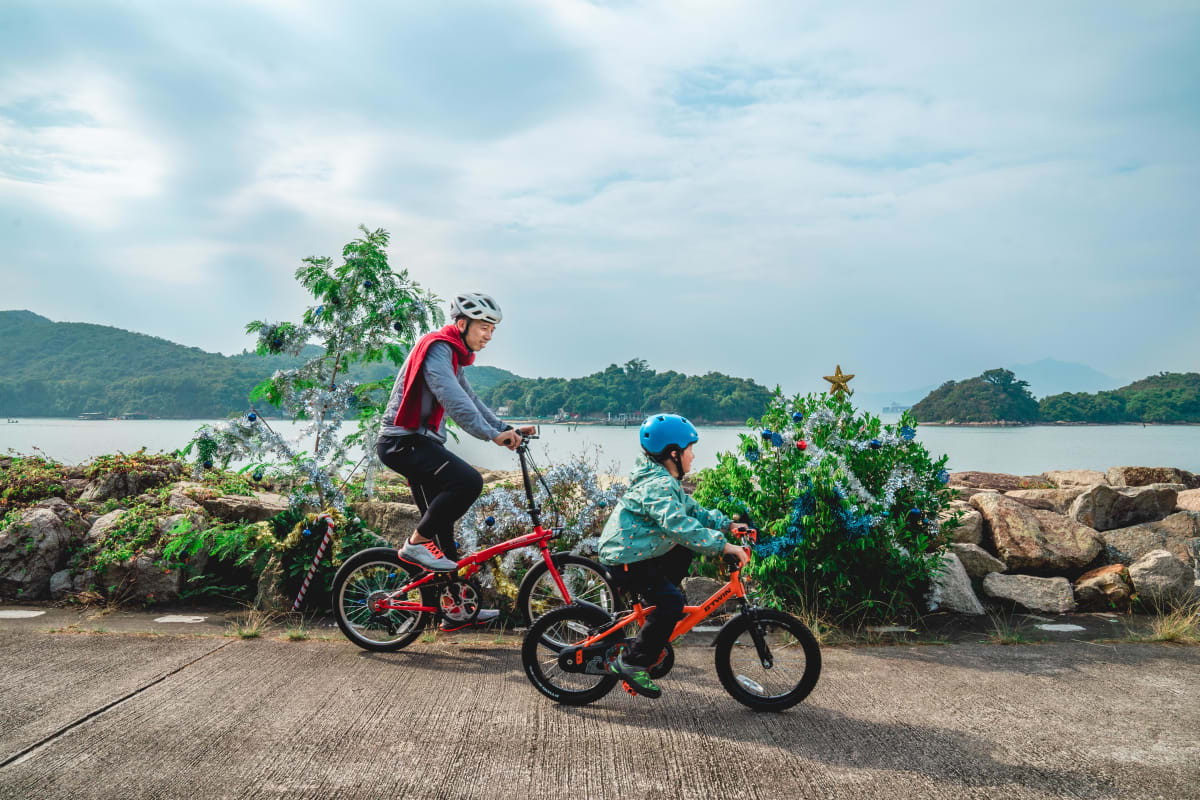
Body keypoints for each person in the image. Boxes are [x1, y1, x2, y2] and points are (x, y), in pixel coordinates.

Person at [376, 292, 535, 630]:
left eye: (493, 329)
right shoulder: (438, 349)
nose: (489, 335)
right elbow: (452, 398)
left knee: (444, 537)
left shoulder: (452, 356)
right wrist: (491, 435)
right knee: (468, 482)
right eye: (484, 327)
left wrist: (504, 428)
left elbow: (471, 399)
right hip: (403, 442)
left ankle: (456, 612)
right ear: (461, 324)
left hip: (418, 443)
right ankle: (415, 544)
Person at [597, 413, 750, 698]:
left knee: (683, 550)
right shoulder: (659, 485)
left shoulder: (664, 480)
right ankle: (632, 662)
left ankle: (655, 608)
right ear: (673, 454)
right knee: (672, 601)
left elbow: (692, 511)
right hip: (625, 559)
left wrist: (726, 524)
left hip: (638, 553)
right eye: (690, 449)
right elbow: (678, 524)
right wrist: (724, 546)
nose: (694, 456)